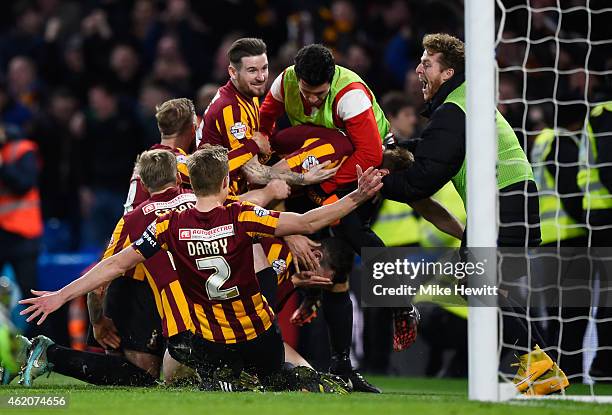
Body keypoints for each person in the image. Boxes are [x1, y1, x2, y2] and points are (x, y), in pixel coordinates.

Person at [19, 145, 383, 391]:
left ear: (191, 183)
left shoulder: (168, 224)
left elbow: (114, 265)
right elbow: (306, 222)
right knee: (277, 374)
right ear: (226, 183)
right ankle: (294, 379)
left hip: (209, 340)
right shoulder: (242, 215)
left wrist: (60, 296)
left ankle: (226, 380)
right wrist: (358, 196)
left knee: (176, 375)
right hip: (257, 335)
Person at [379, 33, 568, 395]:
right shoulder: (462, 105)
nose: (418, 68)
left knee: (477, 284)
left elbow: (424, 178)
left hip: (501, 200)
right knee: (489, 288)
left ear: (448, 72)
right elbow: (435, 148)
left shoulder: (455, 108)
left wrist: (378, 182)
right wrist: (399, 148)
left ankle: (541, 367)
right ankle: (544, 367)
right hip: (510, 200)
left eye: (427, 63)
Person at [199, 38, 337, 196]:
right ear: (233, 72)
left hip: (234, 185)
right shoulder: (231, 109)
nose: (261, 77)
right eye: (252, 71)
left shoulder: (247, 94)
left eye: (264, 68)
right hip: (220, 196)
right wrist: (303, 177)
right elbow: (254, 173)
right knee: (301, 217)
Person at [0, 123, 42, 324]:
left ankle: (44, 346)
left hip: (21, 235)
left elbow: (24, 184)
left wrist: (3, 166)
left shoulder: (22, 150)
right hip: (4, 234)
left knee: (30, 296)